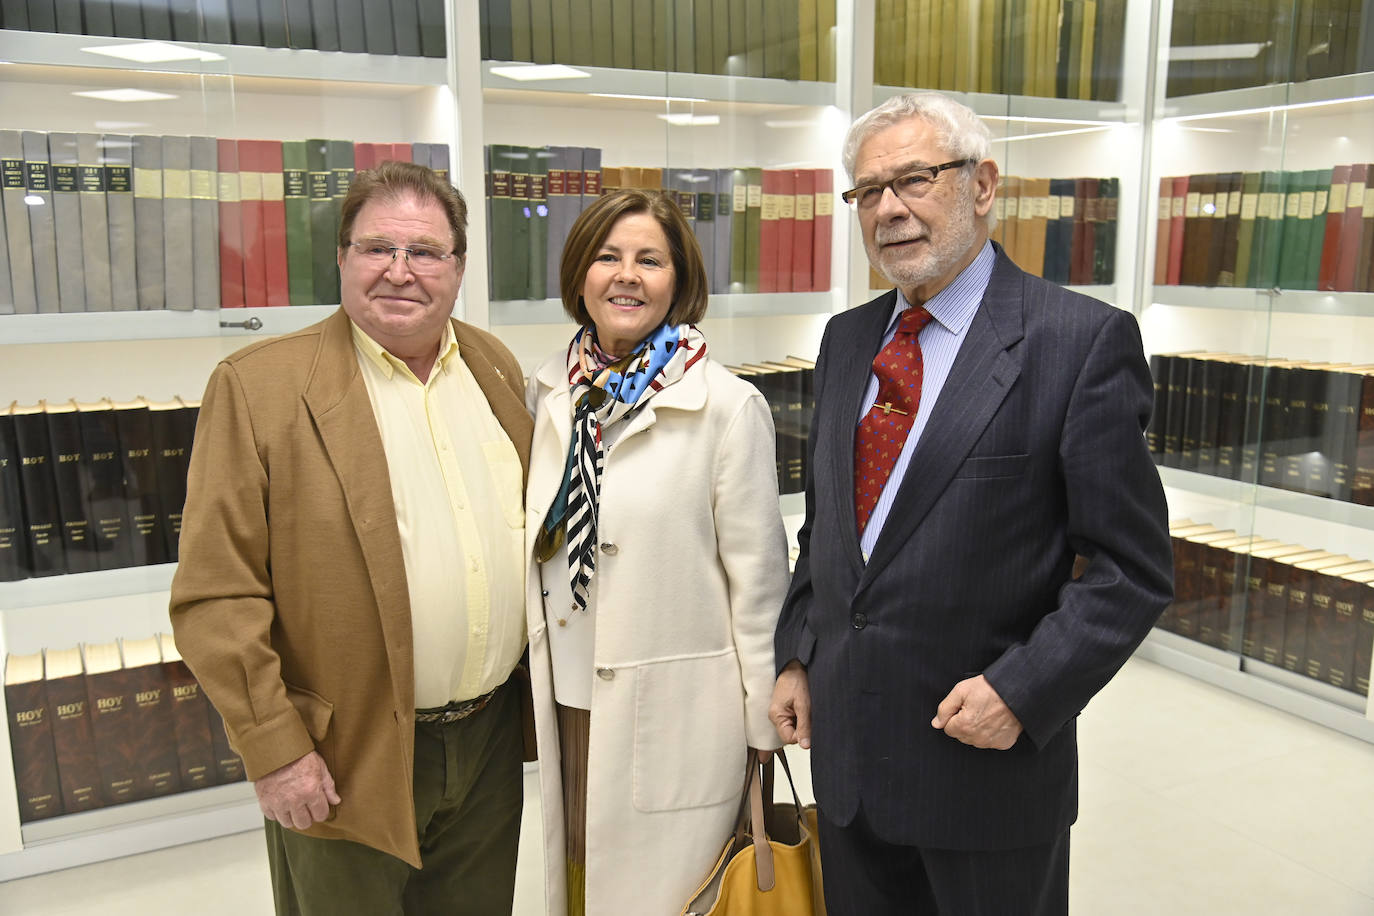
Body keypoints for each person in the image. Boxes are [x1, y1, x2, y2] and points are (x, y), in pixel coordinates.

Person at [769, 91, 1173, 915]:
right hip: (849, 767)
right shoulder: (846, 339)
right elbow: (832, 529)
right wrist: (800, 650)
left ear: (983, 185)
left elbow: (1131, 569)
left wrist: (1023, 690)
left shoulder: (1078, 341)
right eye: (867, 191)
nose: (888, 209)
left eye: (915, 179)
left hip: (984, 775)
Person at [169, 160, 533, 915]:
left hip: (491, 740)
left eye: (425, 251)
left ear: (459, 267)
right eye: (377, 248)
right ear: (341, 257)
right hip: (343, 755)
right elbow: (216, 594)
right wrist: (276, 749)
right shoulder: (258, 387)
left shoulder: (493, 367)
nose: (400, 271)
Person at [524, 188, 790, 915]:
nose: (627, 276)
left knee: (673, 897)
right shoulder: (549, 394)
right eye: (608, 256)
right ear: (580, 275)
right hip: (570, 701)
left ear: (679, 280)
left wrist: (761, 729)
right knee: (581, 885)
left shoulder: (727, 407)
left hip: (680, 715)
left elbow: (760, 586)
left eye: (650, 259)